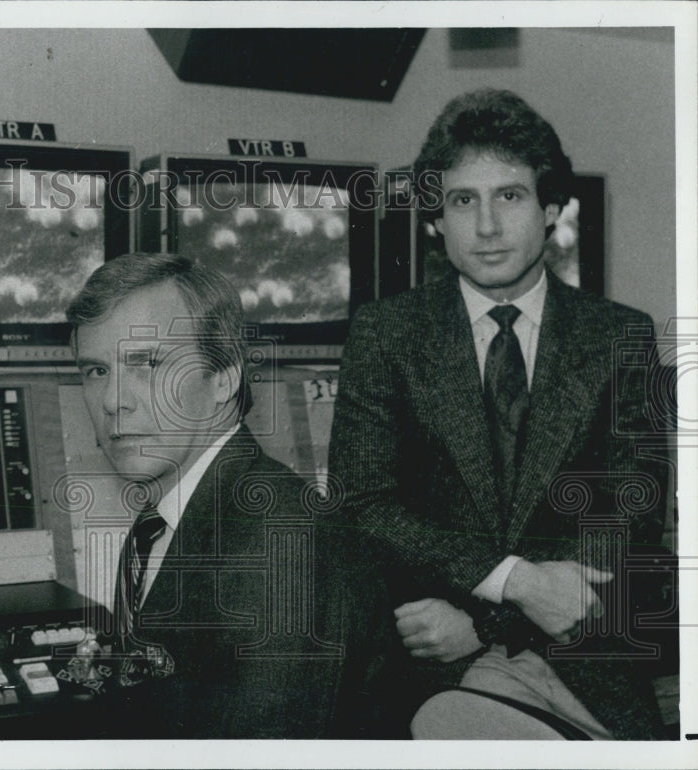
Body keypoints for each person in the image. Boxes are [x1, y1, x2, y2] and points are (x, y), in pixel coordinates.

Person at [329, 89, 669, 740]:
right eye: (463, 201)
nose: (486, 226)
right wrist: (511, 581)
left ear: (550, 210)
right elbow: (361, 508)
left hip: (581, 665)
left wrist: (488, 622)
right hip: (423, 667)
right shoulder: (385, 334)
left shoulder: (621, 336)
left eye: (509, 196)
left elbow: (630, 526)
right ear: (436, 219)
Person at [65, 252, 402, 738]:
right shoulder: (165, 515)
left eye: (147, 363)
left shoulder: (283, 547)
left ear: (224, 378)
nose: (114, 400)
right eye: (96, 371)